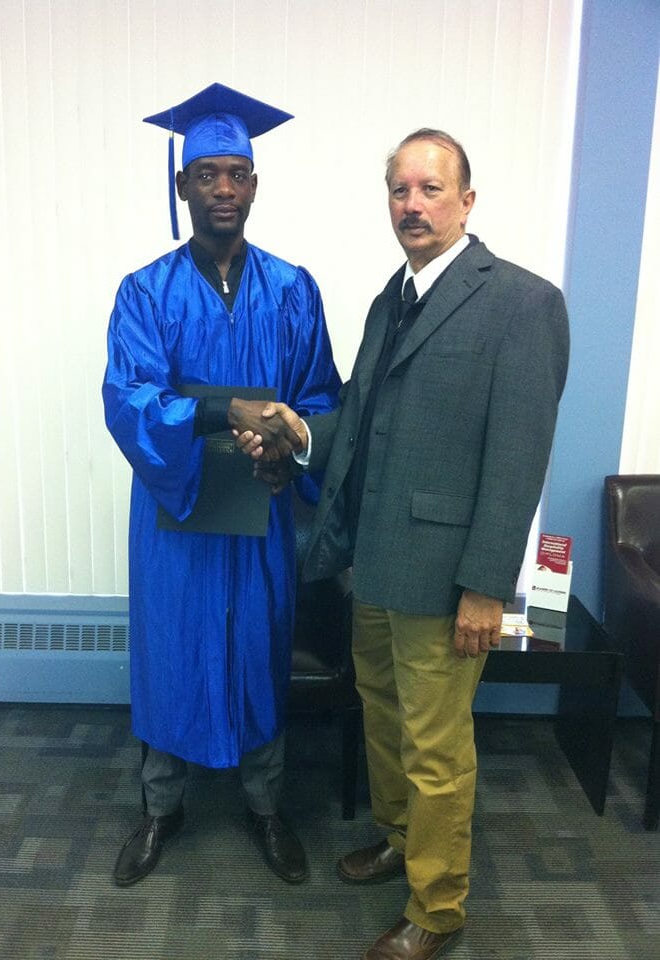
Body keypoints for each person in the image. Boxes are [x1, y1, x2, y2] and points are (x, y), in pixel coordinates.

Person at [238, 128, 569, 959]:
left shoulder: (522, 304)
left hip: (446, 577)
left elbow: (517, 459)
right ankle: (399, 841)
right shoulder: (392, 299)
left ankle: (438, 908)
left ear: (466, 200)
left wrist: (486, 586)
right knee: (384, 724)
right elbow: (358, 419)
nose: (411, 205)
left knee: (435, 750)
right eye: (399, 190)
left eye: (429, 188)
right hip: (373, 564)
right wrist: (296, 431)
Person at [102, 83, 340, 889]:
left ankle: (265, 807)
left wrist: (286, 454)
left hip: (260, 509)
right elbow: (129, 399)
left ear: (255, 185)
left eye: (236, 173)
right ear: (183, 186)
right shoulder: (145, 292)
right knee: (171, 651)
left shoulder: (292, 289)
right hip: (176, 510)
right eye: (206, 174)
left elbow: (321, 399)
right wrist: (219, 410)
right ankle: (159, 808)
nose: (223, 189)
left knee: (258, 648)